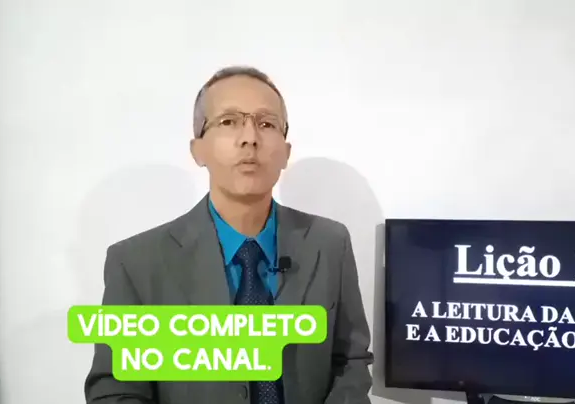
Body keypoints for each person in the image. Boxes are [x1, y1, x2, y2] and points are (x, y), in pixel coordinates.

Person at [84, 66, 374, 404]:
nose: (250, 138)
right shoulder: (136, 263)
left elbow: (350, 361)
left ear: (285, 152)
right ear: (197, 150)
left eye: (266, 124)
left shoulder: (329, 244)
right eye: (228, 121)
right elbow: (116, 391)